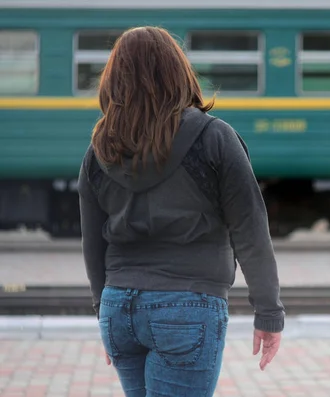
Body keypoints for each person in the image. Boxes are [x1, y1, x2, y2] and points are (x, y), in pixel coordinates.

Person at [77, 26, 284, 397]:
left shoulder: (99, 150)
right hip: (188, 305)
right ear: (178, 72)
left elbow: (93, 241)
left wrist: (102, 311)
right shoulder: (213, 138)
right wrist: (268, 311)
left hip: (117, 304)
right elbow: (250, 228)